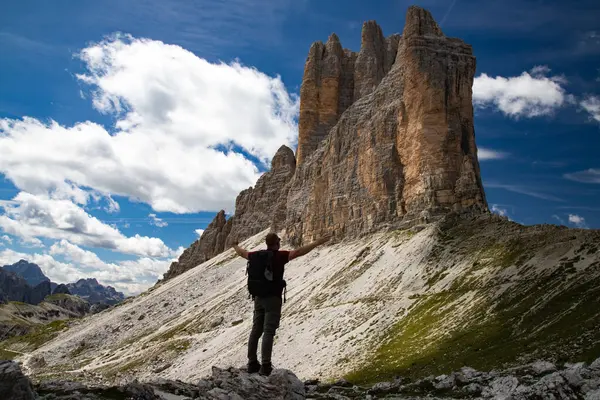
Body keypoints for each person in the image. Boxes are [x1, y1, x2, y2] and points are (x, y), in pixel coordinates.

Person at [232, 232, 330, 376]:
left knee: (256, 330)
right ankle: (265, 365)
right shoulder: (279, 256)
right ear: (277, 243)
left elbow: (242, 253)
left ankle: (252, 363)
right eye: (279, 241)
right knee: (269, 331)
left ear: (266, 243)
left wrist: (234, 245)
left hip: (258, 297)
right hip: (273, 299)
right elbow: (299, 251)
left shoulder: (255, 255)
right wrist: (317, 242)